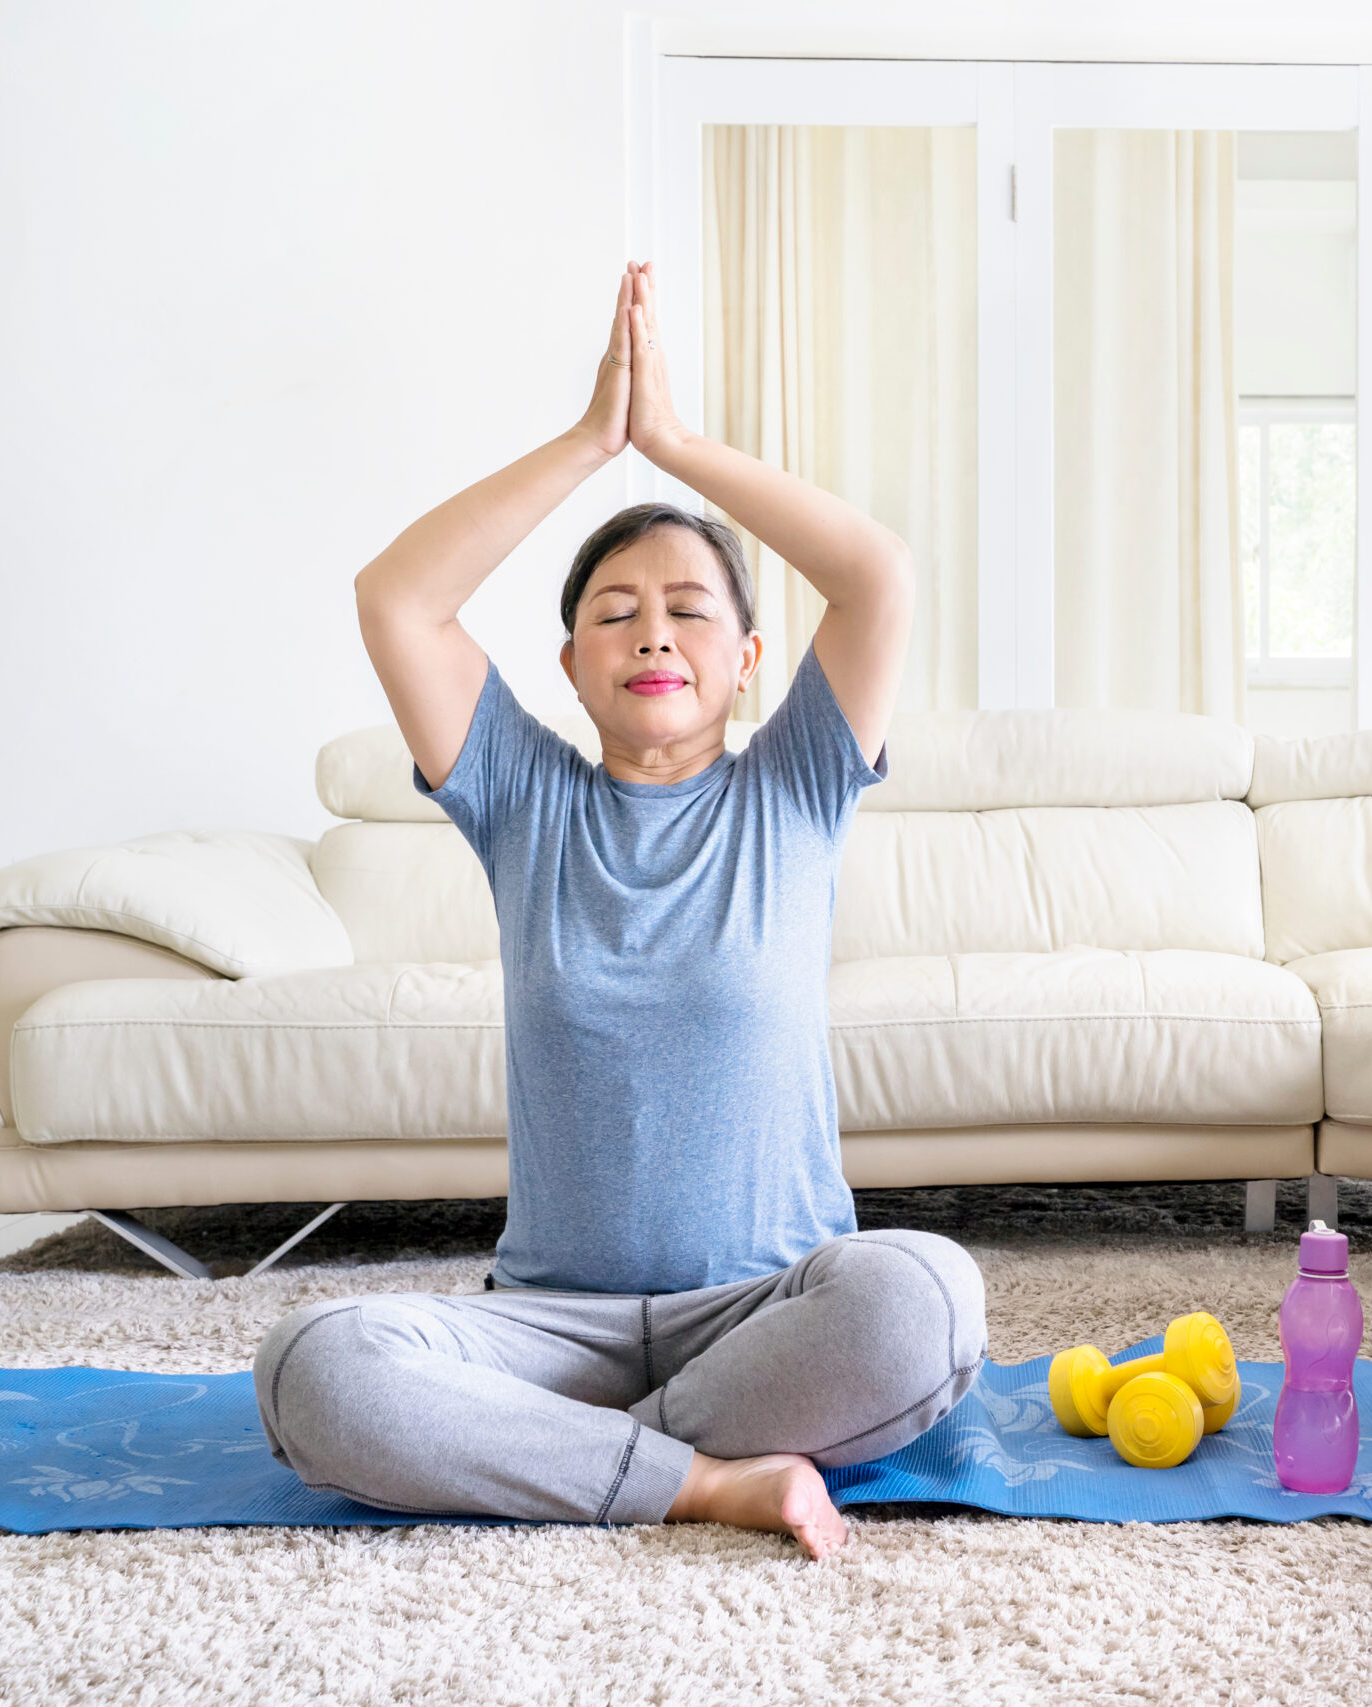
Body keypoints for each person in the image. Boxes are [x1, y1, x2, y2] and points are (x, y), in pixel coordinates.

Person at [252, 263, 984, 1560]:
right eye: (618, 613)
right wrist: (594, 441)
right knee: (318, 1365)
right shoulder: (524, 797)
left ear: (748, 663)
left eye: (691, 609)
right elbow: (397, 600)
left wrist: (682, 448)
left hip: (768, 1312)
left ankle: (586, 1455)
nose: (655, 633)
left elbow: (876, 575)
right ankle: (704, 1479)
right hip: (548, 1324)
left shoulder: (795, 788)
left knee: (922, 1302)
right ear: (573, 664)